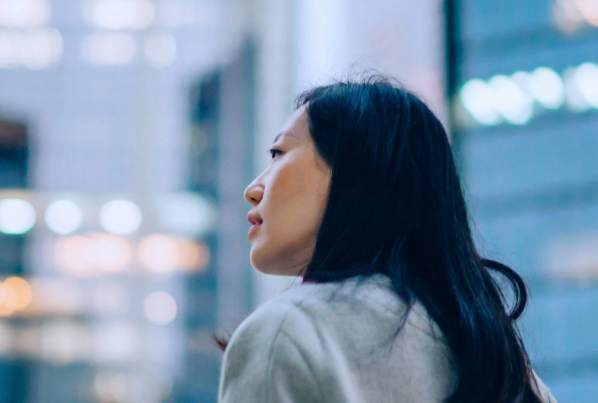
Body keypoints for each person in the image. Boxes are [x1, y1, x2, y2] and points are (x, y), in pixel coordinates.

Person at [218, 77, 558, 403]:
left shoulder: (288, 332)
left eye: (278, 153)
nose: (252, 190)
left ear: (353, 171)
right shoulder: (504, 366)